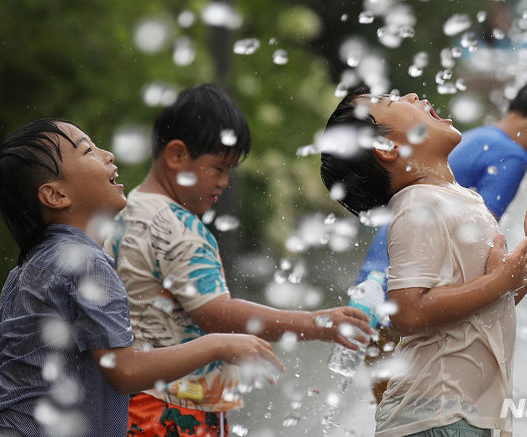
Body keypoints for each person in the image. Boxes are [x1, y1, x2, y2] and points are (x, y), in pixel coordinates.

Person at [0, 119, 282, 437]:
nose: (108, 155)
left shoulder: (23, 271)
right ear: (56, 195)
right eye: (88, 150)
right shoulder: (86, 262)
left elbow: (8, 375)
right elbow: (124, 370)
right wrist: (218, 344)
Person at [104, 84, 372, 436]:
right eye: (218, 168)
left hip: (130, 402)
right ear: (176, 155)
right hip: (173, 410)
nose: (224, 182)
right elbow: (217, 313)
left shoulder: (130, 212)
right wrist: (315, 323)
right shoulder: (179, 229)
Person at [320, 87, 527, 437]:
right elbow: (406, 313)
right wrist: (500, 280)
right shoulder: (416, 205)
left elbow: (491, 305)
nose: (410, 95)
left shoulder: (460, 199)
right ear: (387, 149)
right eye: (394, 103)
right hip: (434, 418)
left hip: (464, 415)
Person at [356, 67, 527, 401]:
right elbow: (479, 257)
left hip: (375, 297)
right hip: (405, 306)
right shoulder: (511, 156)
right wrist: (523, 265)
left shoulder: (479, 138)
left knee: (396, 415)